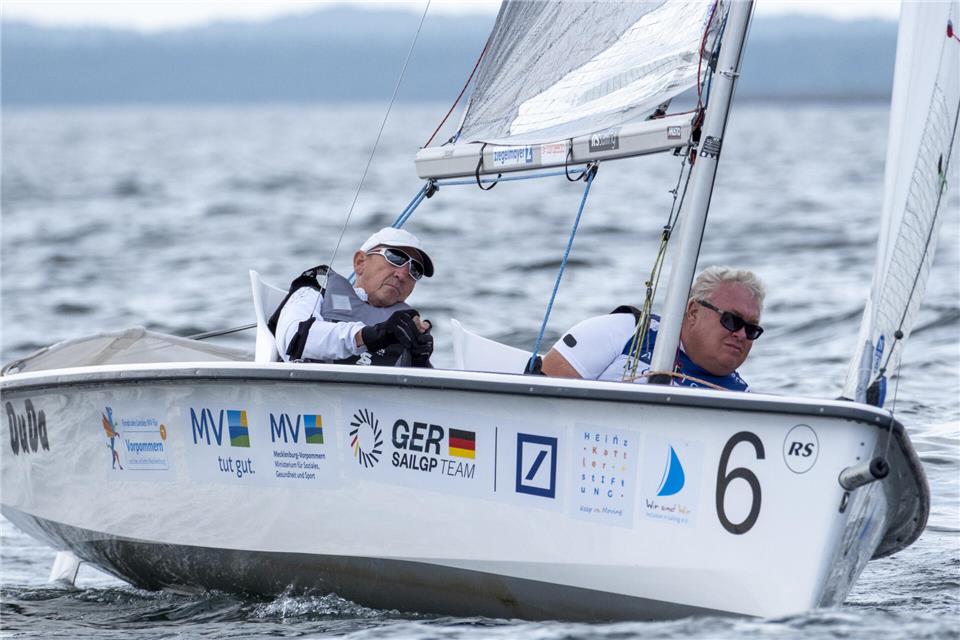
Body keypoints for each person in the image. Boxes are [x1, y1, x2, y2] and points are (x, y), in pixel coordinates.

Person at [540, 266, 765, 391]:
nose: (741, 334)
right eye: (732, 320)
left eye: (752, 329)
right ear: (694, 312)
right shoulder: (625, 333)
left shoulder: (741, 398)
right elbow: (542, 389)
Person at [268, 227, 435, 367]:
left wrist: (419, 362)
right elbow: (293, 340)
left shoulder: (407, 328)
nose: (404, 273)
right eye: (396, 257)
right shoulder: (312, 296)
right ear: (360, 262)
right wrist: (368, 336)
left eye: (415, 270)